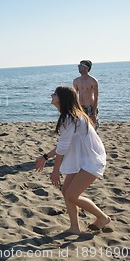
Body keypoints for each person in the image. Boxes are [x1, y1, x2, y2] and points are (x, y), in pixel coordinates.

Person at [34, 86, 110, 234]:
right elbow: (63, 145)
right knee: (66, 191)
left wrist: (55, 171)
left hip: (91, 160)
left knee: (72, 195)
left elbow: (62, 149)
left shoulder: (70, 118)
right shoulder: (70, 116)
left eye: (55, 94)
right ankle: (74, 227)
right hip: (81, 158)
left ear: (62, 98)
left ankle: (102, 218)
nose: (52, 95)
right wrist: (44, 157)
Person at [73, 60, 99, 129]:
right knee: (80, 128)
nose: (79, 67)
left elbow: (96, 97)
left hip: (90, 107)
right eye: (79, 65)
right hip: (80, 107)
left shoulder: (92, 81)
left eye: (81, 66)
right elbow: (74, 96)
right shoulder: (76, 81)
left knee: (92, 128)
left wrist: (93, 112)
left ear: (87, 68)